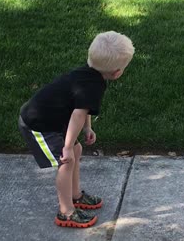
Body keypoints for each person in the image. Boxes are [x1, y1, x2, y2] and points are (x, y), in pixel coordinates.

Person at [18, 31, 134, 228]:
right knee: (67, 159)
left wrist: (87, 128)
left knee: (76, 150)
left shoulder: (88, 76)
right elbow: (78, 114)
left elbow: (82, 107)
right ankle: (66, 212)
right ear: (117, 72)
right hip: (38, 125)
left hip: (53, 120)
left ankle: (75, 195)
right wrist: (67, 146)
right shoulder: (93, 85)